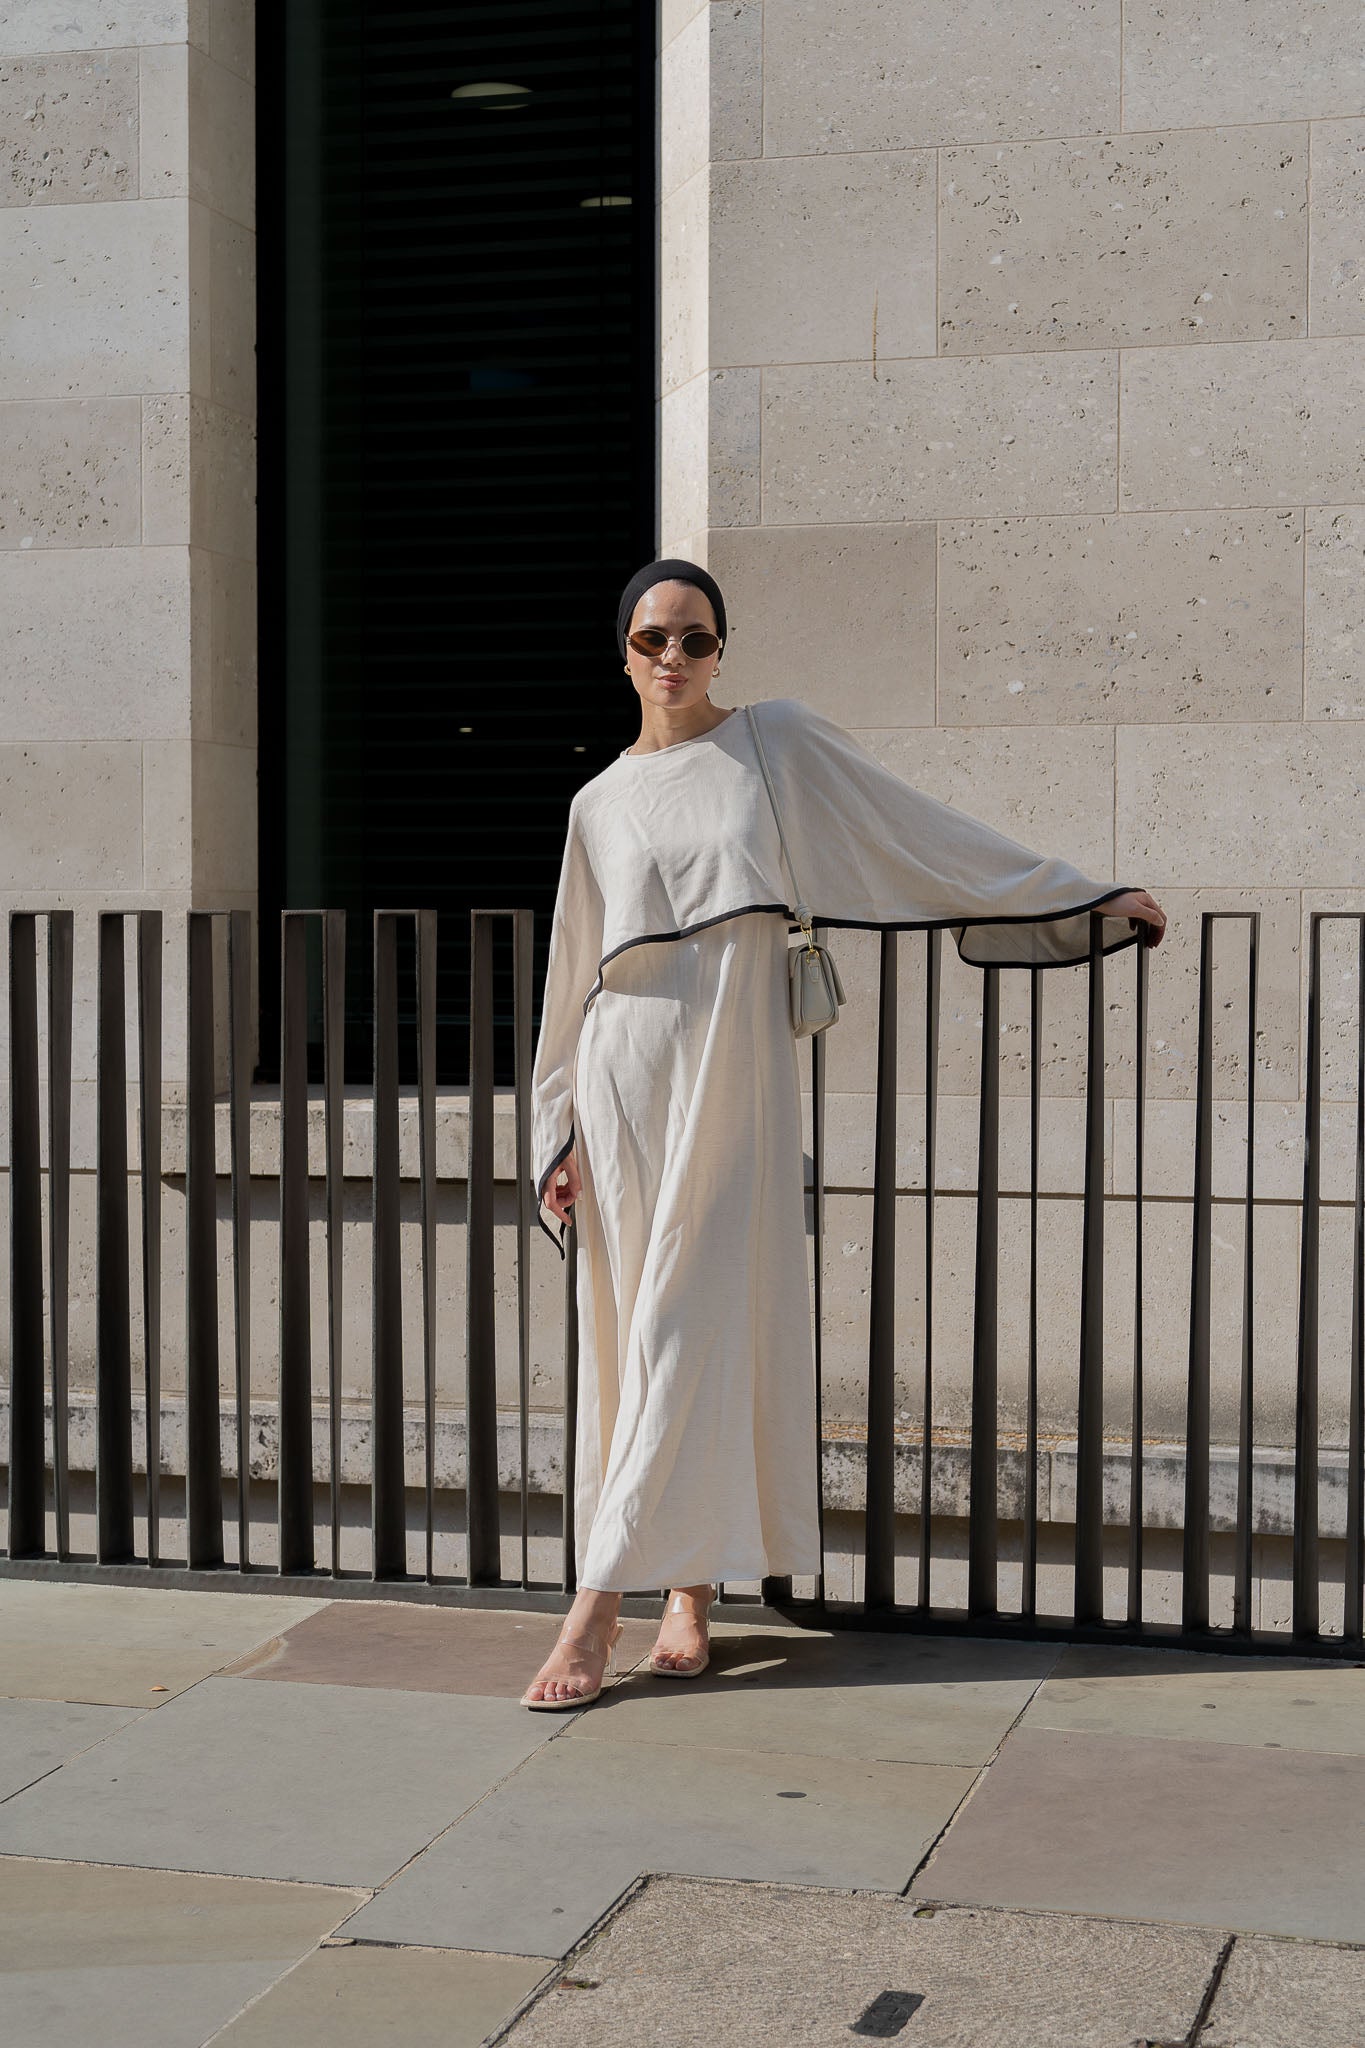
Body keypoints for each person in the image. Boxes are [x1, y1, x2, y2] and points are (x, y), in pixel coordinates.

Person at [520, 558, 1167, 1709]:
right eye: (654, 638)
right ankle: (689, 1590)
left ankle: (597, 1602)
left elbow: (915, 831)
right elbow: (575, 973)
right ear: (621, 650)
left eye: (698, 639)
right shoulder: (596, 801)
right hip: (624, 1081)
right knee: (629, 1342)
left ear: (725, 649)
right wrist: (557, 1127)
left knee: (689, 1317)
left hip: (733, 1074)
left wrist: (1074, 894)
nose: (675, 658)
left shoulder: (775, 744)